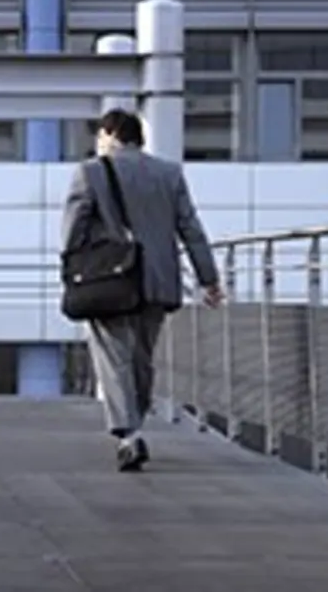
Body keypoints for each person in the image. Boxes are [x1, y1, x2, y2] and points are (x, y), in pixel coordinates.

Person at [61, 108, 222, 472]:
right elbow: (190, 229)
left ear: (110, 133)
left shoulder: (90, 173)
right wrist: (208, 279)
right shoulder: (169, 174)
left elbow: (72, 231)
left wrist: (74, 267)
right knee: (142, 357)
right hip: (158, 281)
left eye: (100, 136)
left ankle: (129, 434)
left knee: (113, 355)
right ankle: (137, 418)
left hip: (111, 280)